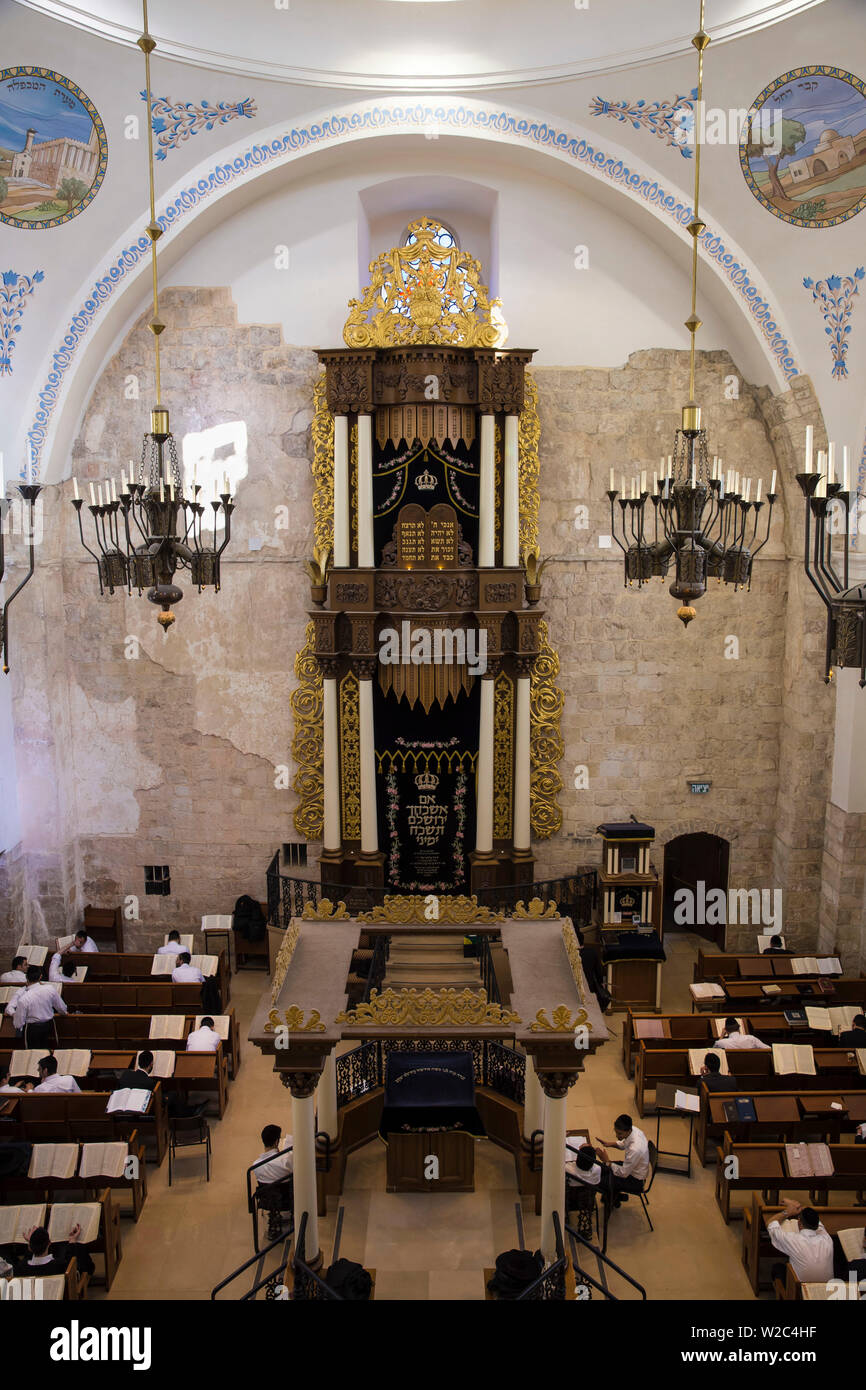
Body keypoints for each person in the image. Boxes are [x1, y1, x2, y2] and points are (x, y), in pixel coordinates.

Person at [767, 1199, 833, 1287]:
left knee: (777, 1267)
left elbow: (770, 1224)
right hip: (824, 1291)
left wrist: (787, 1211)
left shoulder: (793, 1240)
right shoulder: (827, 1239)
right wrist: (795, 1205)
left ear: (800, 1223)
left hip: (800, 1292)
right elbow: (813, 1217)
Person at [594, 1114, 650, 1207]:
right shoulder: (634, 1130)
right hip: (631, 1168)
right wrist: (609, 1144)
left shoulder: (635, 1149)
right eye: (615, 1132)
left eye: (619, 1133)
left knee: (600, 1181)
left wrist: (607, 1161)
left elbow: (624, 1173)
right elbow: (624, 1143)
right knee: (601, 1169)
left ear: (628, 1131)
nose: (617, 1136)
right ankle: (614, 1195)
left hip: (635, 1180)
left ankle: (612, 1199)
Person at [253, 1124, 294, 1241]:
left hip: (267, 1200)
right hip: (287, 1199)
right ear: (277, 1142)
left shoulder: (256, 1165)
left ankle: (273, 1218)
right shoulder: (285, 1161)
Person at [11, 1224, 94, 1279]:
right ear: (49, 1243)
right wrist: (72, 1240)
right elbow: (71, 1265)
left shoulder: (20, 1268)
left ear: (30, 1247)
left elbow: (27, 1260)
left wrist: (31, 1242)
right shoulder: (59, 1265)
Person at [12, 966, 67, 1048]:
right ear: (40, 976)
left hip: (32, 1030)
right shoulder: (50, 989)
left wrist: (14, 1015)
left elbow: (18, 1024)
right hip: (49, 1026)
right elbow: (62, 1008)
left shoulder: (23, 998)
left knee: (33, 1055)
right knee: (50, 1053)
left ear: (26, 977)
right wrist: (64, 1012)